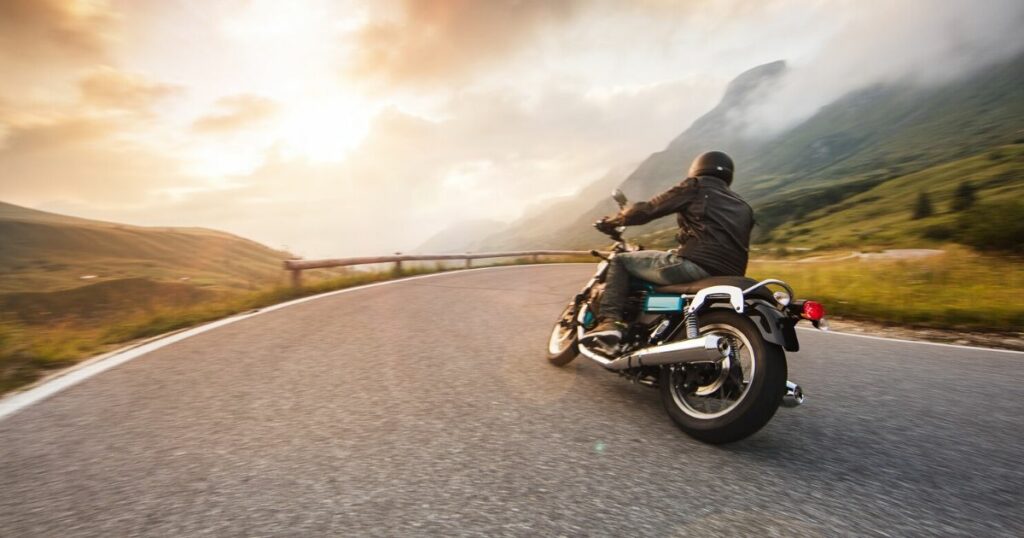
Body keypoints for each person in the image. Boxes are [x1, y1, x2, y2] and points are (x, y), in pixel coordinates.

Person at [581, 150, 754, 350]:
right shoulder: (743, 205)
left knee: (621, 261)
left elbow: (648, 209)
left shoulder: (696, 186)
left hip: (696, 264)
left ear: (697, 169)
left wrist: (615, 220)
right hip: (729, 274)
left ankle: (609, 321)